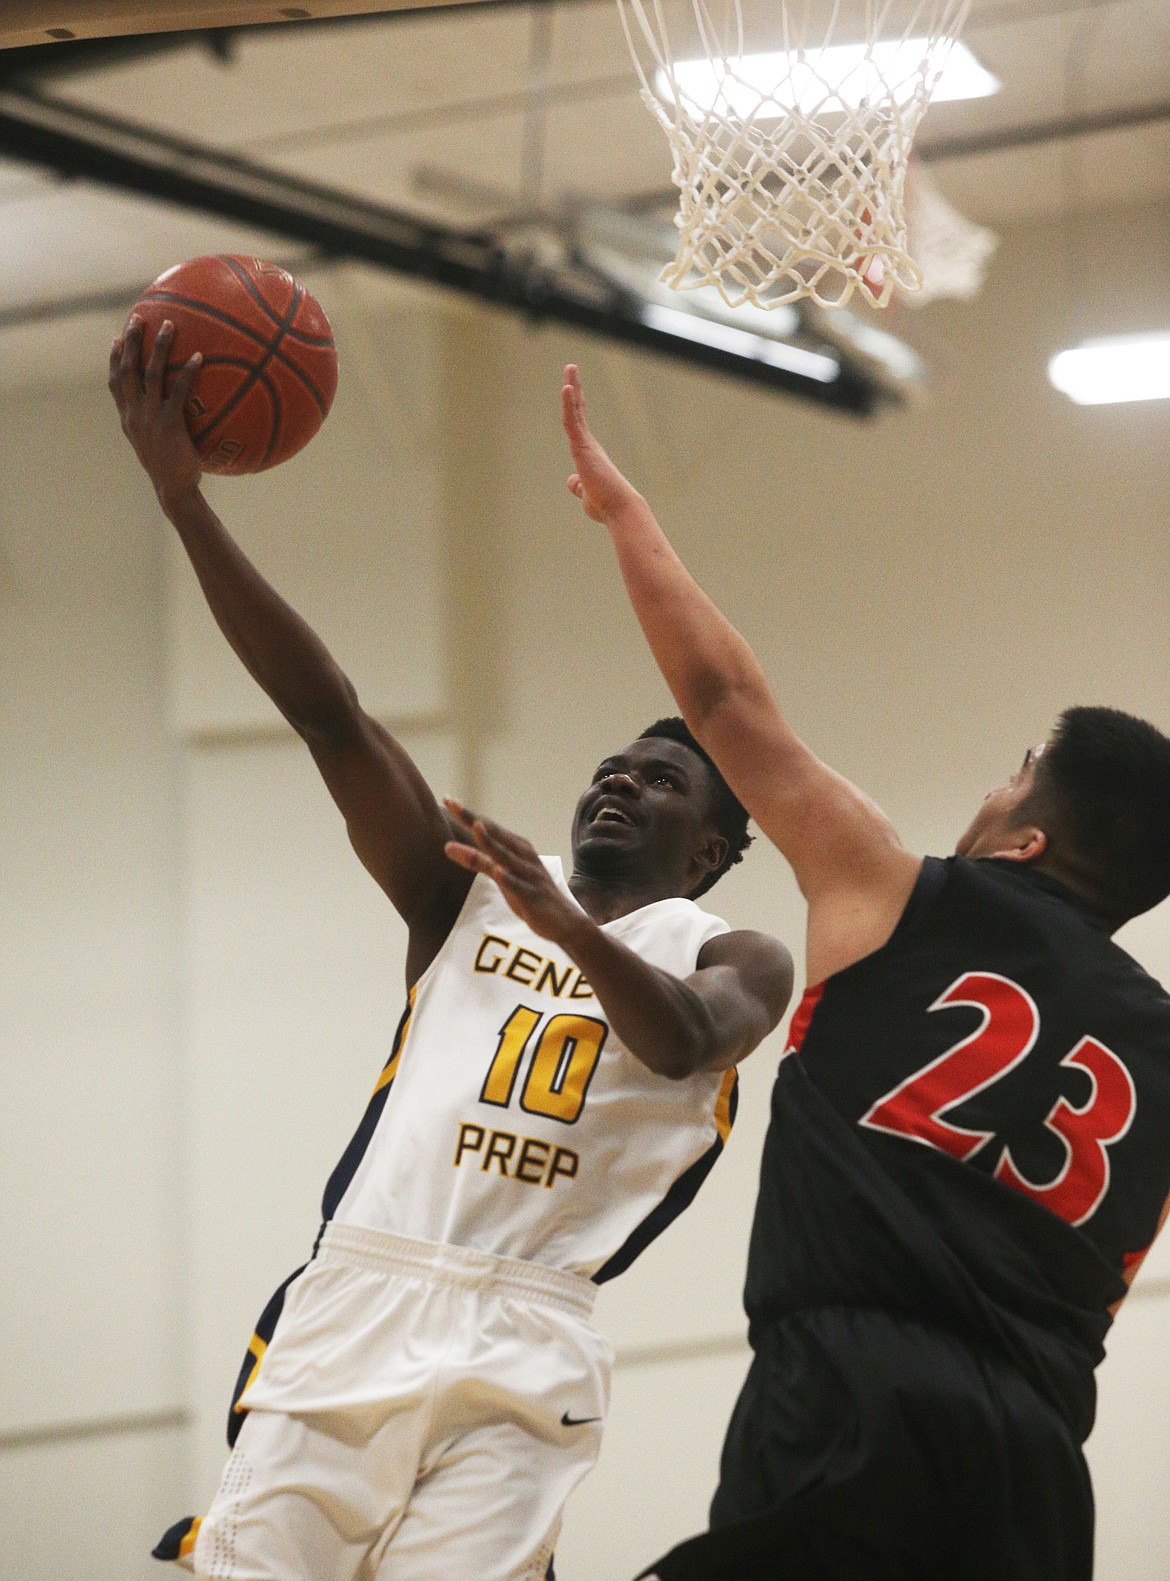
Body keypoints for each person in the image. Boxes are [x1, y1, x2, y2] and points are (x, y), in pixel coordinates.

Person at [107, 318, 793, 1581]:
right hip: (361, 1298)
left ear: (711, 849)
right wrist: (183, 502)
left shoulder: (735, 949)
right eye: (609, 770)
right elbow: (327, 715)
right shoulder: (463, 895)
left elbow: (690, 1041)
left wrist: (563, 923)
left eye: (661, 782)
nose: (620, 787)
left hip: (532, 1334)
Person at [561, 363, 1170, 1581]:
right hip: (1042, 1469)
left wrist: (627, 517)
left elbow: (724, 696)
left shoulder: (897, 893)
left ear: (1029, 836)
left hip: (853, 1402)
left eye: (1010, 778)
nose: (988, 793)